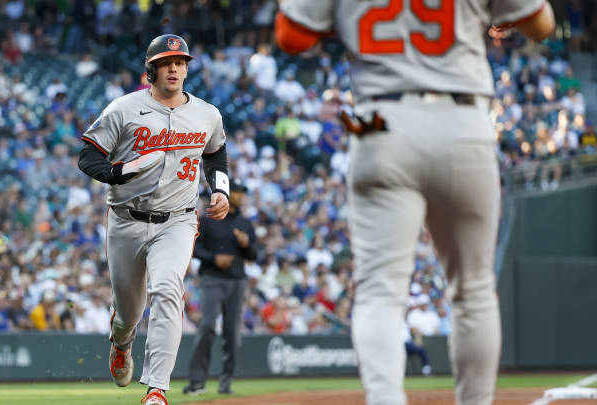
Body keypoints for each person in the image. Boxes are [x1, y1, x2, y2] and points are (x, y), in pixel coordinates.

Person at [275, 2, 555, 405]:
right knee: (473, 289)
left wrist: (344, 21)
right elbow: (542, 25)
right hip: (464, 121)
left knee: (379, 292)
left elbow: (291, 36)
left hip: (381, 121)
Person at [77, 34, 230, 405]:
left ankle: (157, 389)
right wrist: (119, 172)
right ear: (151, 70)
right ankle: (121, 341)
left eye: (181, 62)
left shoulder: (207, 113)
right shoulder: (124, 109)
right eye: (166, 62)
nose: (175, 68)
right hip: (126, 220)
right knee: (129, 313)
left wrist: (221, 189)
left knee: (167, 289)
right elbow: (88, 157)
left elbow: (216, 153)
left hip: (177, 220)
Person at [183, 180, 256, 396]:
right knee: (207, 326)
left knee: (232, 333)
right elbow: (194, 248)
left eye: (243, 192)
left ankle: (226, 382)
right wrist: (215, 258)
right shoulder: (208, 219)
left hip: (237, 280)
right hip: (212, 278)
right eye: (237, 191)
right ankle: (197, 382)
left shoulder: (244, 223)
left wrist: (246, 245)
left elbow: (255, 255)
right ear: (226, 193)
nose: (240, 196)